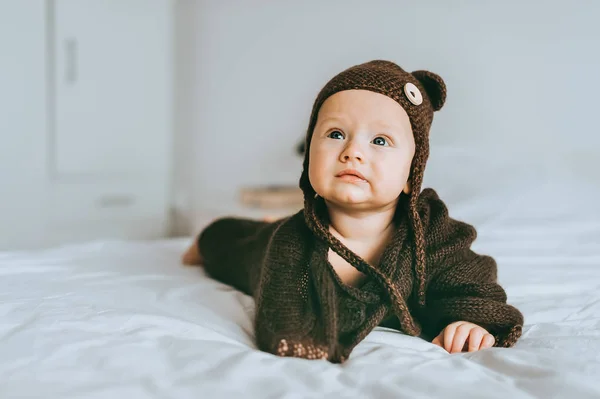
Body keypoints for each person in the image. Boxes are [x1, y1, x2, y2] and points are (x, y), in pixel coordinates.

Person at [182, 60, 524, 363]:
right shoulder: (292, 244)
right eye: (335, 133)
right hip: (265, 245)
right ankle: (213, 234)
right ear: (308, 156)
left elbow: (470, 284)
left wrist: (468, 322)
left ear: (411, 174)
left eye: (379, 141)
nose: (352, 151)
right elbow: (283, 318)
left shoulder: (432, 234)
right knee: (234, 243)